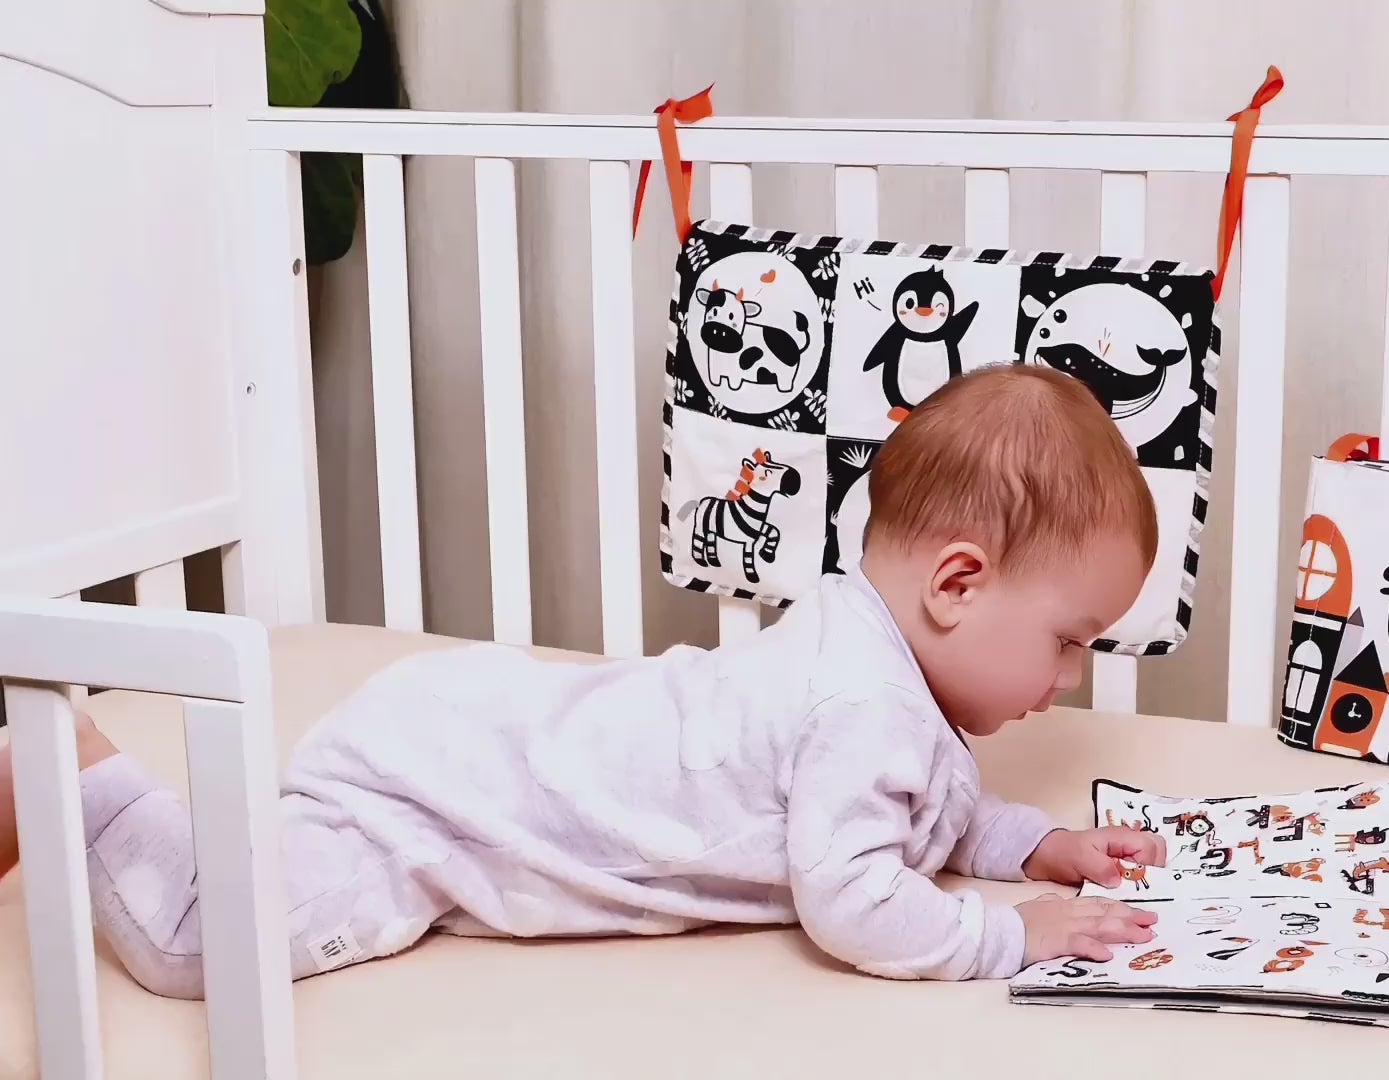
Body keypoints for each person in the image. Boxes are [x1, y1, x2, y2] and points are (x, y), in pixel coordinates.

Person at [0, 364, 1169, 1000]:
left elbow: (920, 806)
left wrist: (1030, 845)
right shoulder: (863, 704)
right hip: (453, 803)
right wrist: (1007, 937)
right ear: (958, 586)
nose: (1067, 678)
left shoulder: (874, 662)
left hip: (481, 732)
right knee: (202, 945)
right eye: (1070, 639)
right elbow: (854, 895)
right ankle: (69, 770)